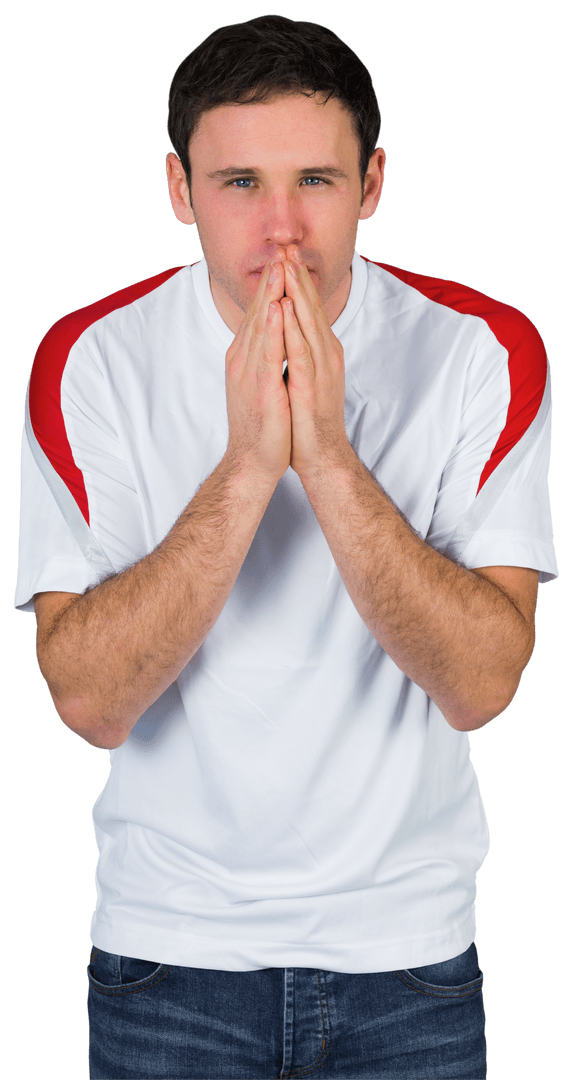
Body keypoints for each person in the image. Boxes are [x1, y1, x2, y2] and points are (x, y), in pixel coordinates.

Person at [15, 13, 557, 1080]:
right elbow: (86, 702)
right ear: (179, 190)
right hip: (167, 956)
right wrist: (252, 465)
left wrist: (329, 457)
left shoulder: (484, 352)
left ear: (373, 183)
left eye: (314, 179)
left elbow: (486, 683)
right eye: (237, 184)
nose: (280, 231)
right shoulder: (89, 360)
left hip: (407, 960)